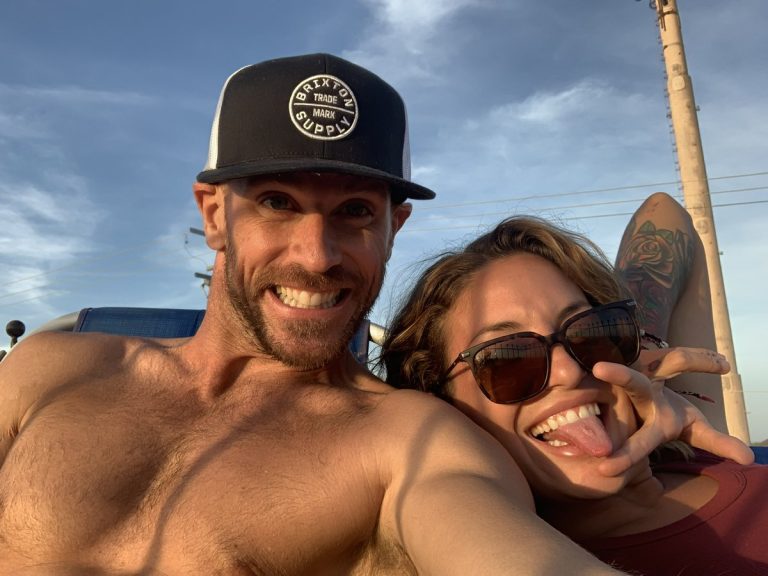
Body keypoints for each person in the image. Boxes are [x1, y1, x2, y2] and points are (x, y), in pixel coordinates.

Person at [0, 52, 643, 576]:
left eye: (355, 211)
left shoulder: (409, 444)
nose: (317, 256)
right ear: (214, 214)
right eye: (277, 202)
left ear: (393, 228)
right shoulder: (49, 371)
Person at [381, 193, 764, 575]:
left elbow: (665, 210)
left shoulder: (699, 442)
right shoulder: (516, 560)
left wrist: (632, 346)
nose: (569, 371)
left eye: (589, 332)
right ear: (443, 405)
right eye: (507, 358)